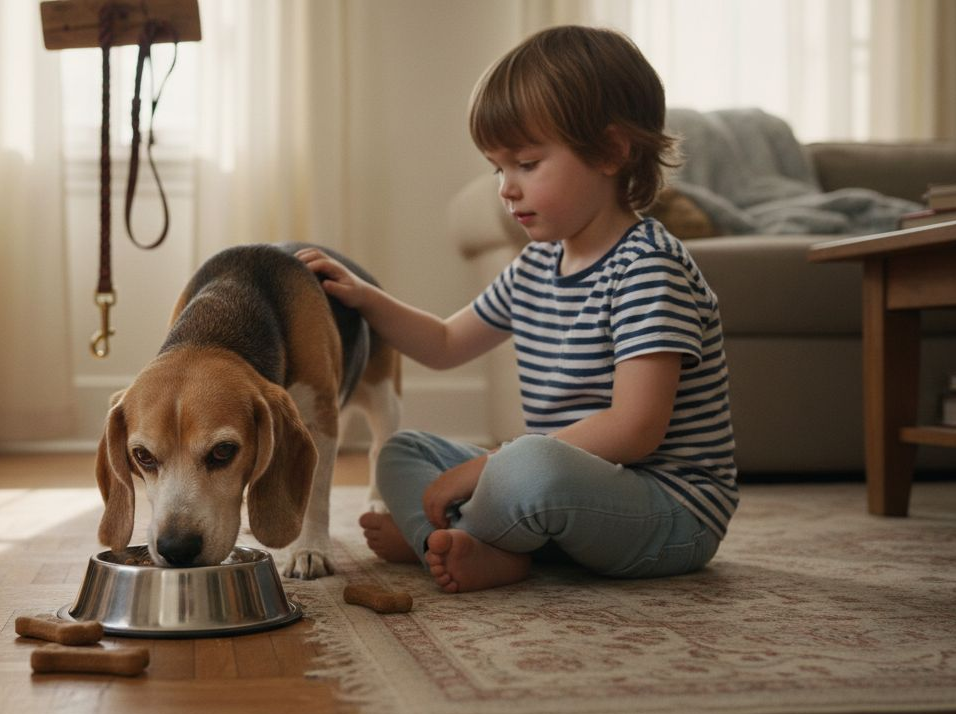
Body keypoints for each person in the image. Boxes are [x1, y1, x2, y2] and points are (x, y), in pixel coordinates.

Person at [299, 25, 737, 593]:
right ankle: (475, 539)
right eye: (497, 167)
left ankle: (473, 540)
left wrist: (489, 467)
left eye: (526, 164)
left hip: (668, 509)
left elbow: (634, 431)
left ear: (611, 151)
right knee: (405, 449)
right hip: (561, 494)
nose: (505, 188)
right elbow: (445, 343)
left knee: (529, 464)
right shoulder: (535, 266)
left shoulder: (649, 267)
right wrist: (364, 296)